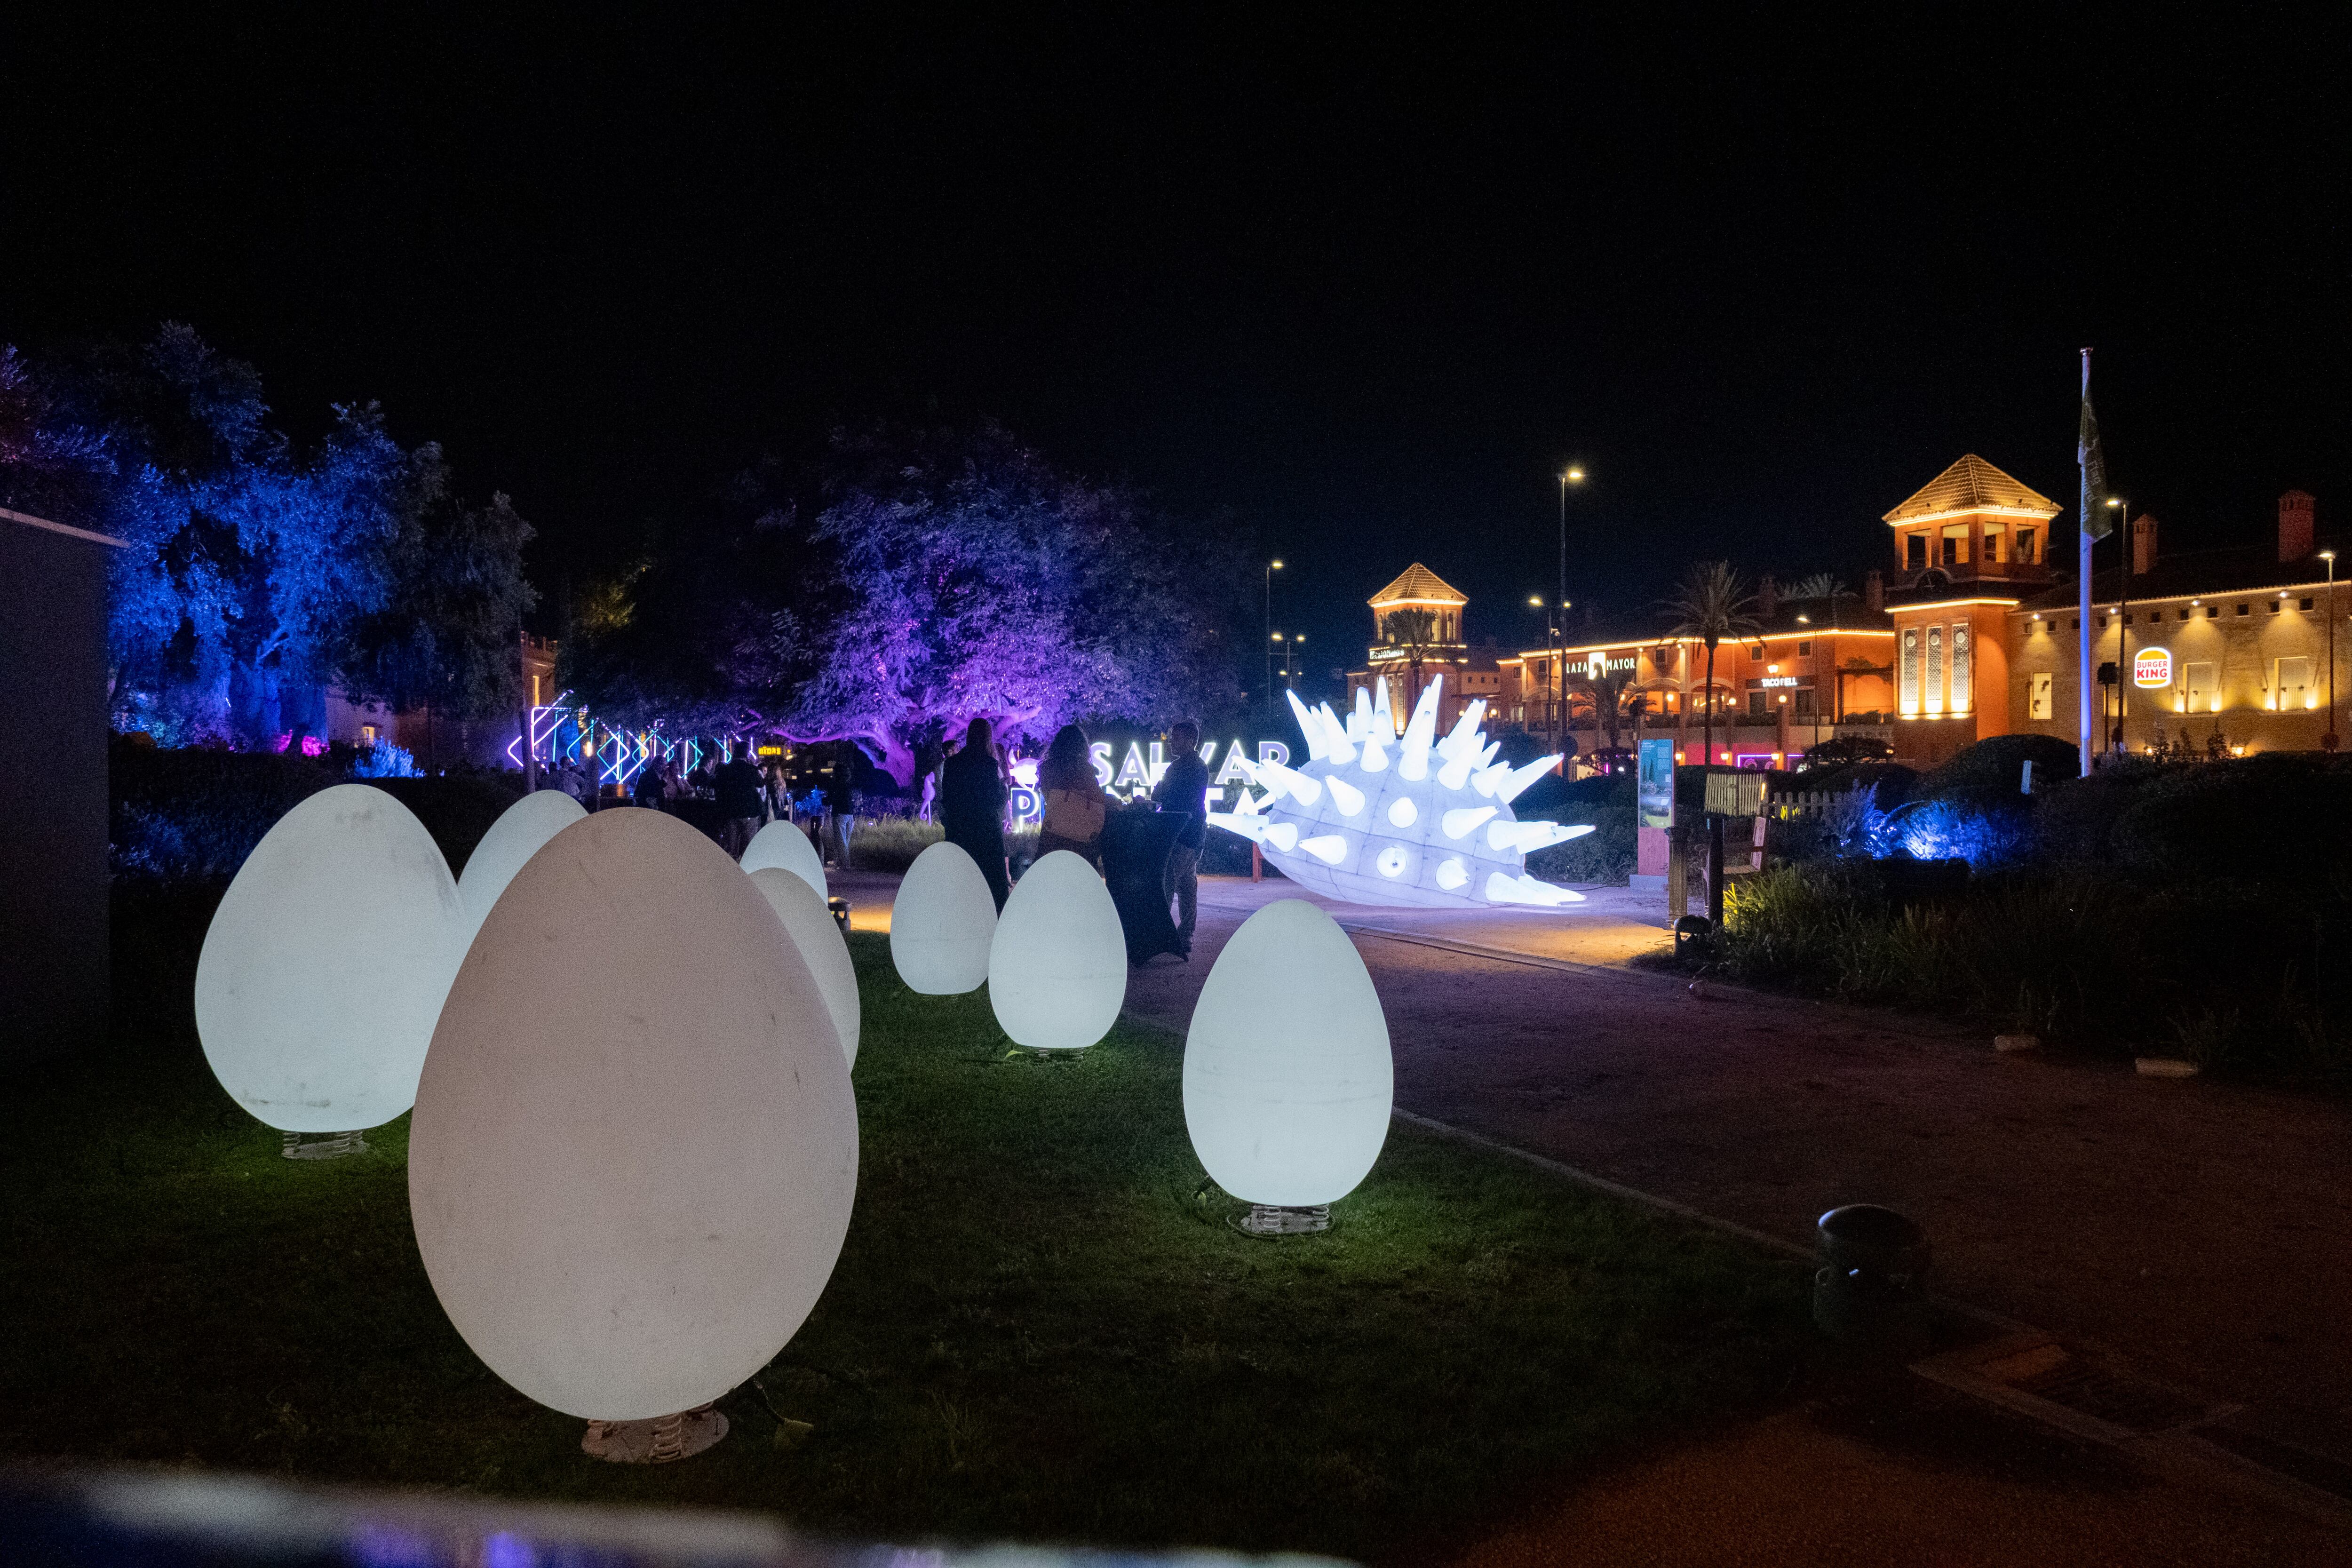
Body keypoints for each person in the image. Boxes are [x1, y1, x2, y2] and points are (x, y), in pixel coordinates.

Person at [940, 716, 1012, 908]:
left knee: (962, 885)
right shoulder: (988, 764)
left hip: (960, 832)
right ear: (988, 738)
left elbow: (947, 799)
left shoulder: (952, 764)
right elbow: (996, 800)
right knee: (990, 886)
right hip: (986, 832)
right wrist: (1003, 790)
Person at [1152, 719, 1210, 954]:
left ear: (1190, 740)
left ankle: (1162, 936)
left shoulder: (1180, 767)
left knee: (1168, 883)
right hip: (1195, 833)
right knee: (1187, 885)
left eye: (1175, 737)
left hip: (1179, 834)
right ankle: (1185, 935)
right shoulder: (1200, 766)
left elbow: (1159, 793)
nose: (1171, 741)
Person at [1035, 723, 1109, 868]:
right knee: (1081, 876)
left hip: (1053, 831)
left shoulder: (1047, 768)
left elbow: (1049, 795)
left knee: (1050, 875)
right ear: (1081, 746)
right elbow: (1096, 796)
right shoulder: (1084, 769)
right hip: (1081, 834)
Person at [712, 739, 767, 858]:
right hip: (749, 810)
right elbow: (761, 784)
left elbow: (717, 787)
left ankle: (731, 869)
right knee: (748, 846)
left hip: (731, 811)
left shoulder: (725, 770)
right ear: (746, 753)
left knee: (731, 846)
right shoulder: (751, 769)